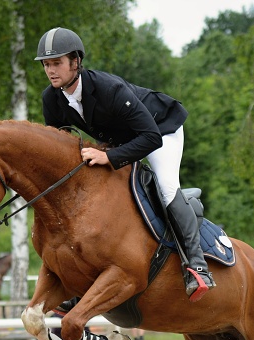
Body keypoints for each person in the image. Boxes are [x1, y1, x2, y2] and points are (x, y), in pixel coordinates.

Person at [35, 27, 215, 301]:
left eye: (57, 63)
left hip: (161, 130)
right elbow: (60, 144)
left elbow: (151, 137)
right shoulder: (52, 98)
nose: (51, 70)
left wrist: (109, 157)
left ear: (76, 62)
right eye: (46, 64)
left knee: (166, 187)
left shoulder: (109, 88)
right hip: (122, 139)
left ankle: (197, 265)